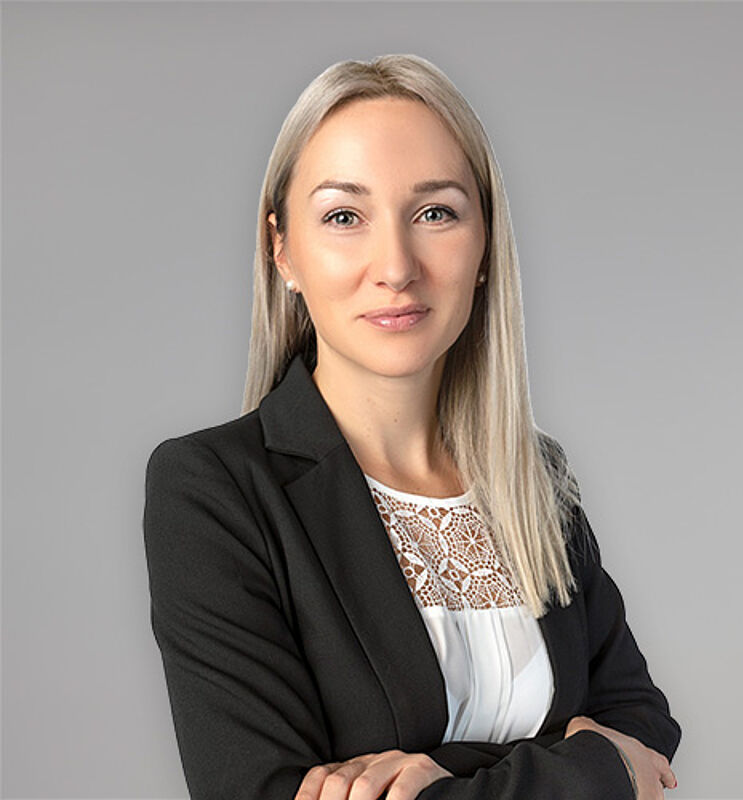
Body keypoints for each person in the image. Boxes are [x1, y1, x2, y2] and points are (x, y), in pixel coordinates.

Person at [142, 53, 681, 800]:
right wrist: (590, 769)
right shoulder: (215, 489)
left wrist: (439, 773)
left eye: (435, 213)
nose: (395, 267)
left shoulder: (533, 476)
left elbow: (644, 728)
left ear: (485, 244)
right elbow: (260, 790)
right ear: (282, 250)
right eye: (344, 217)